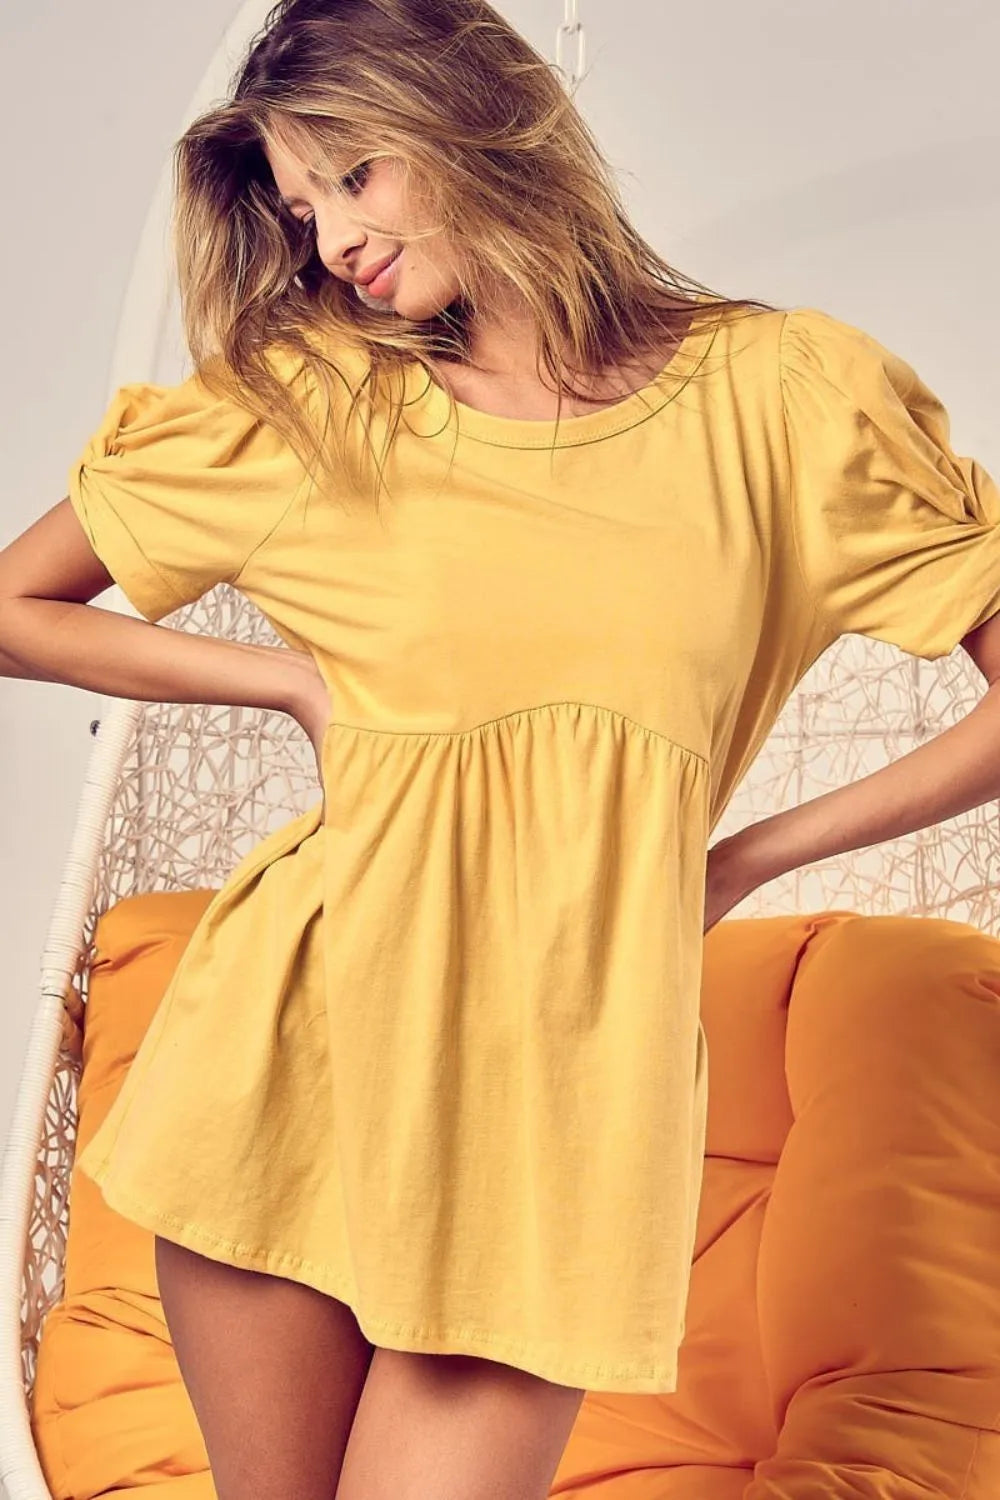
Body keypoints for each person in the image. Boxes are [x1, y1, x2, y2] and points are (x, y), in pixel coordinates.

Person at [4, 1, 1000, 1496]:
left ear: (471, 112)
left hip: (557, 1118)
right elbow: (14, 608)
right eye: (302, 209)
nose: (336, 240)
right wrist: (288, 688)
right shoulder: (315, 401)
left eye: (355, 173)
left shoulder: (787, 400)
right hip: (291, 1066)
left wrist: (738, 861)